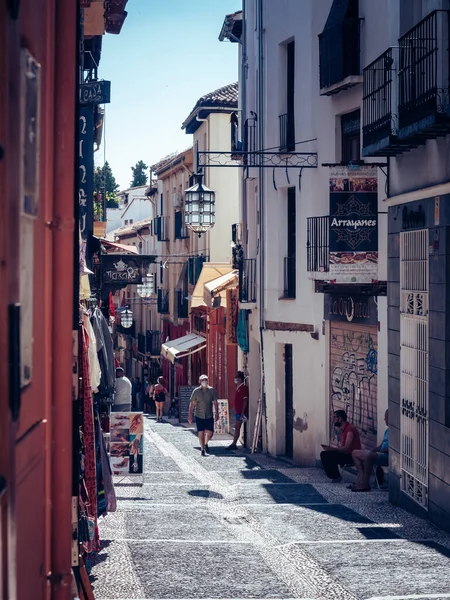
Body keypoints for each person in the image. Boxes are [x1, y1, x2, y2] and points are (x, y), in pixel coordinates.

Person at [349, 409, 389, 492]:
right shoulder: (387, 431)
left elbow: (391, 449)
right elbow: (381, 446)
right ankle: (361, 477)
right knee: (355, 453)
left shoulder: (396, 432)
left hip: (386, 456)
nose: (385, 420)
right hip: (379, 453)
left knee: (368, 456)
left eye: (386, 418)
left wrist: (378, 452)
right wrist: (372, 450)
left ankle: (365, 483)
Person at [320, 410, 361, 482]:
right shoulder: (343, 429)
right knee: (324, 454)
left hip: (351, 456)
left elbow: (346, 448)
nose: (333, 420)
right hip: (346, 454)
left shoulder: (350, 429)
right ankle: (334, 476)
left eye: (335, 417)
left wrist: (332, 449)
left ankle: (336, 477)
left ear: (340, 418)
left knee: (327, 455)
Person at [188, 374, 219, 456]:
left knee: (210, 432)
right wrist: (190, 415)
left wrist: (217, 413)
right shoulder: (196, 391)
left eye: (206, 380)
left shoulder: (212, 390)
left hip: (209, 415)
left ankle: (205, 443)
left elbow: (215, 402)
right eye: (202, 380)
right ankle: (202, 449)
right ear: (199, 381)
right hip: (199, 415)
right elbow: (192, 404)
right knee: (201, 432)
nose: (204, 381)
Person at [228, 371, 249, 450]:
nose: (235, 379)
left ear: (240, 379)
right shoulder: (238, 388)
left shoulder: (243, 388)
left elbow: (245, 400)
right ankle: (234, 443)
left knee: (237, 427)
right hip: (238, 412)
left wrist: (242, 412)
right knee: (237, 427)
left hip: (240, 412)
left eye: (236, 377)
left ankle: (234, 444)